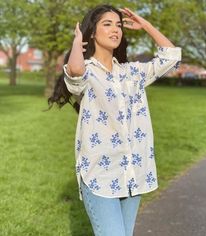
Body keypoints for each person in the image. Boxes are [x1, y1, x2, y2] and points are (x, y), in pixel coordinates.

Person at [48, 4, 181, 236]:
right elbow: (75, 72)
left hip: (133, 173)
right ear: (93, 32)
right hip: (100, 175)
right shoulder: (89, 71)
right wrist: (77, 42)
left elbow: (171, 56)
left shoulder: (132, 73)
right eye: (107, 24)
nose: (115, 30)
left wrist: (145, 25)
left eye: (118, 25)